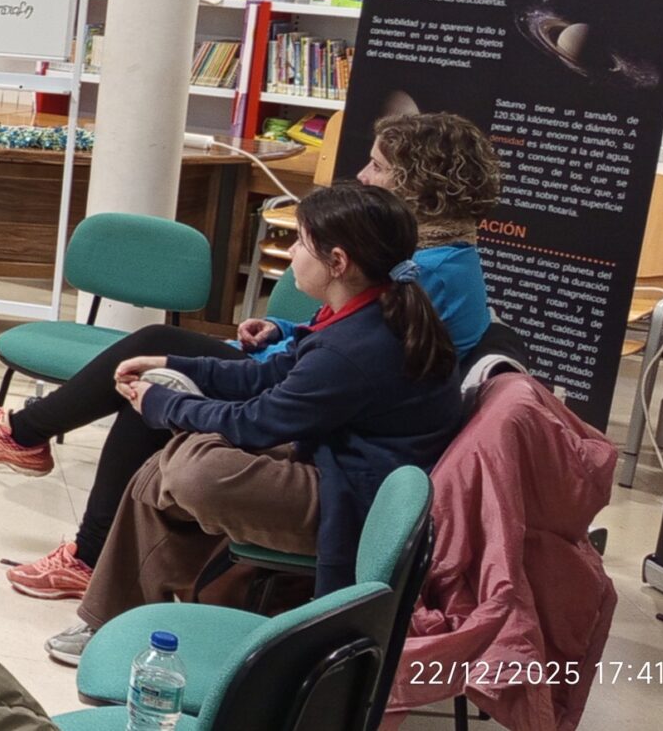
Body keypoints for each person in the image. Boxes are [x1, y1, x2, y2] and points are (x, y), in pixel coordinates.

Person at [0, 112, 498, 602]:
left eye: (377, 166)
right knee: (166, 393)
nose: (363, 173)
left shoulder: (418, 280)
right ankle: (76, 527)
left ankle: (44, 468)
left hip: (343, 449)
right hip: (329, 411)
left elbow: (313, 385)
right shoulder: (401, 274)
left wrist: (171, 401)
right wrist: (278, 332)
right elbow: (325, 349)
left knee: (168, 408)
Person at [53, 182, 467, 663]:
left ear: (338, 262)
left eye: (300, 242)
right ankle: (111, 623)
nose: (291, 253)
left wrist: (165, 406)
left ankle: (123, 616)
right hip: (334, 465)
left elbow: (256, 424)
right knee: (164, 471)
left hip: (352, 500)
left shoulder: (355, 346)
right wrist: (174, 364)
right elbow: (267, 375)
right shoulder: (363, 311)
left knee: (193, 472)